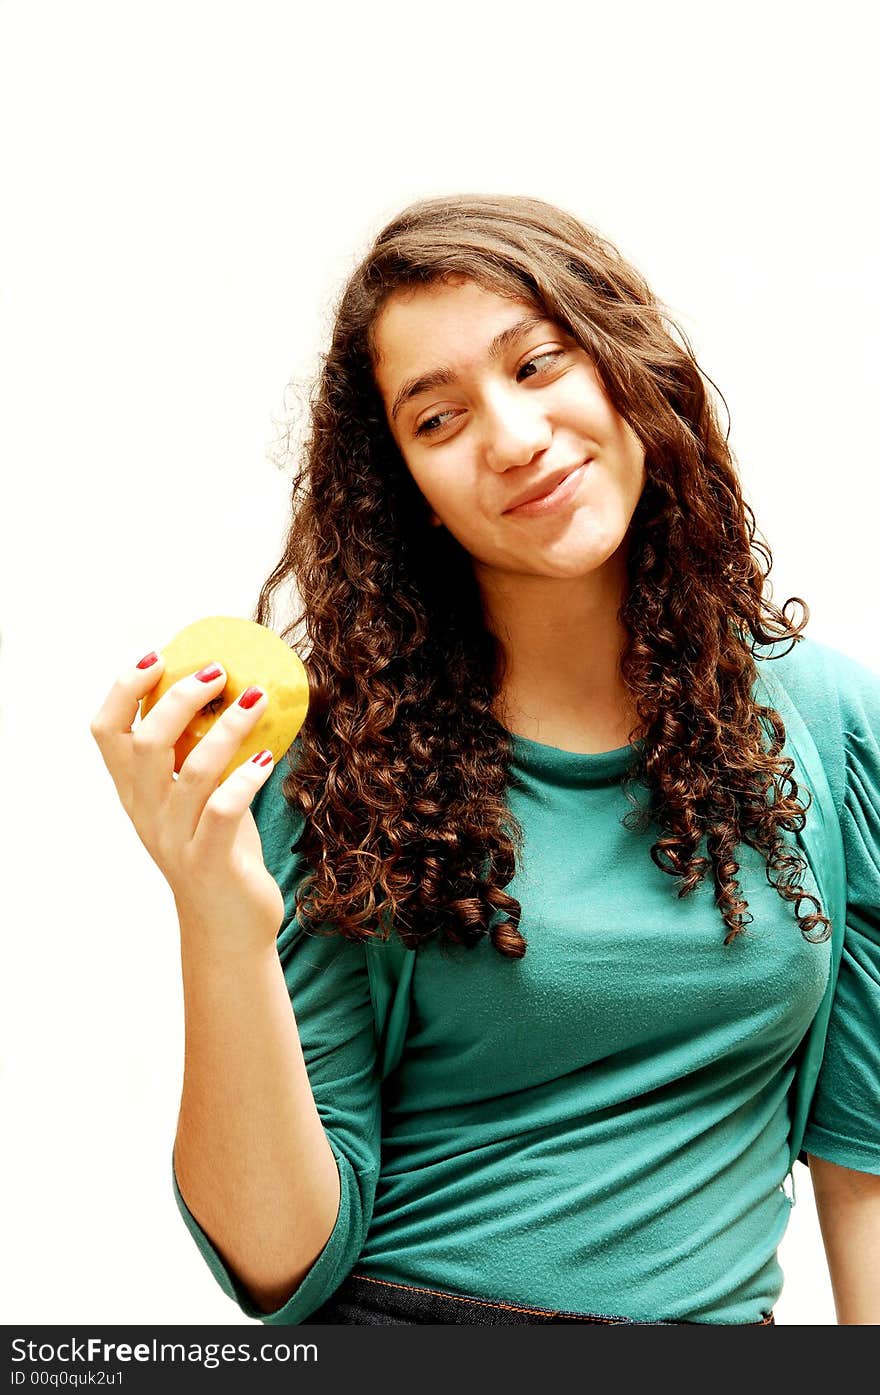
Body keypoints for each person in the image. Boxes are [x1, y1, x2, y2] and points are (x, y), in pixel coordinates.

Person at [90, 193, 880, 1326]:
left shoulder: (830, 719)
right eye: (436, 420)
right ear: (403, 489)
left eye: (538, 364)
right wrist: (216, 910)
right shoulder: (339, 766)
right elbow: (274, 1261)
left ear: (624, 364)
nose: (511, 439)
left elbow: (862, 1156)